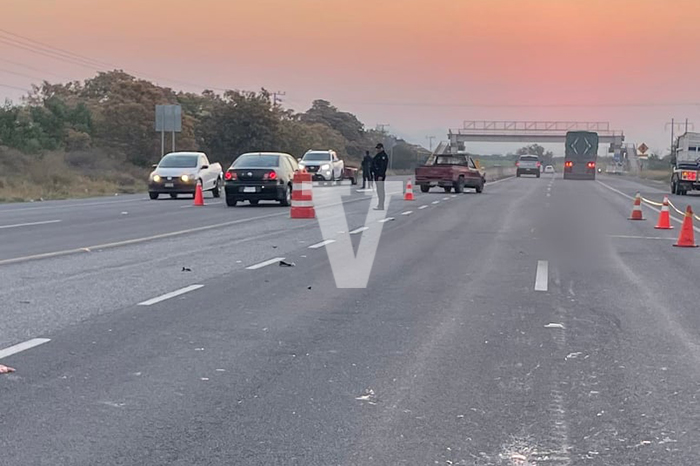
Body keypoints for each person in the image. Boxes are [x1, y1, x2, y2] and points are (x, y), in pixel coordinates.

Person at [372, 143, 389, 210]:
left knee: (380, 190)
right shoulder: (378, 155)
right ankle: (380, 205)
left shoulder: (383, 156)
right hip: (376, 175)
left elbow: (383, 167)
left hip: (380, 175)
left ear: (382, 148)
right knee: (379, 190)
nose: (377, 149)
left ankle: (381, 205)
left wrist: (381, 175)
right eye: (377, 148)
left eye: (379, 148)